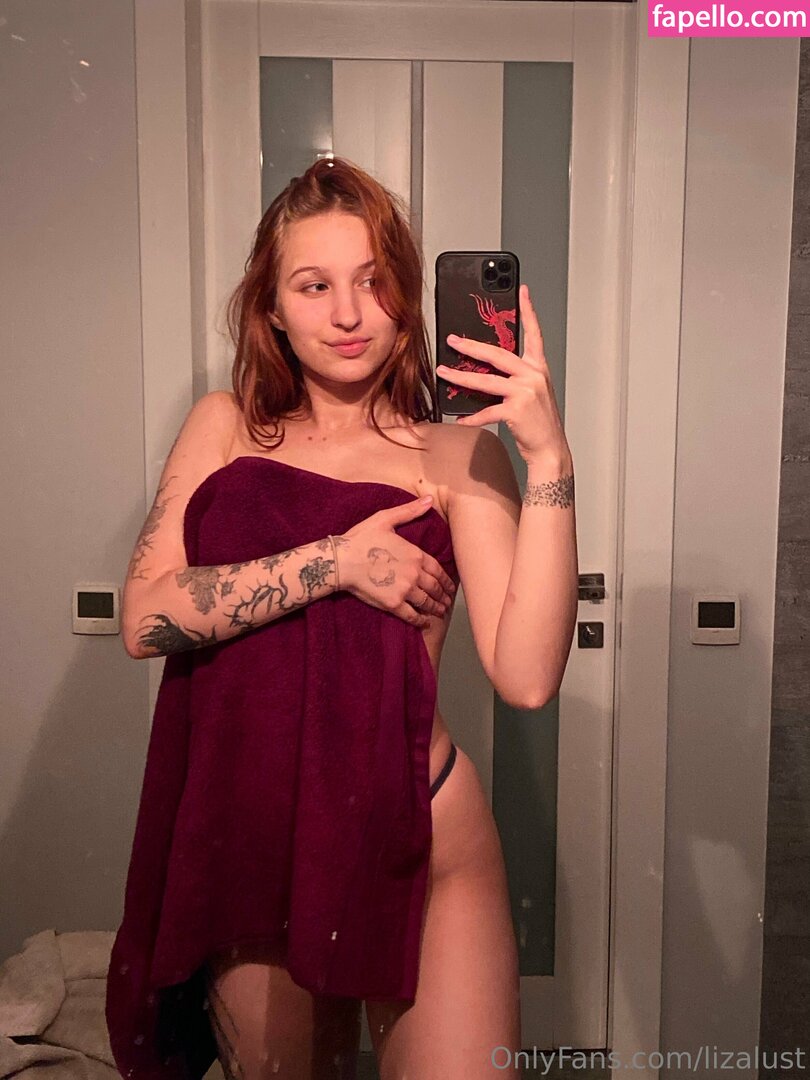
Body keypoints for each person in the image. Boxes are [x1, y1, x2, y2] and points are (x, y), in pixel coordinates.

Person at [106, 157, 579, 1080]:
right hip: (260, 829)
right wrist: (335, 563)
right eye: (314, 285)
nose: (350, 314)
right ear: (272, 308)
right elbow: (145, 617)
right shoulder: (223, 426)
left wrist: (549, 455)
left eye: (372, 281)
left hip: (423, 826)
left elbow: (527, 678)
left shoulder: (458, 452)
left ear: (404, 295)